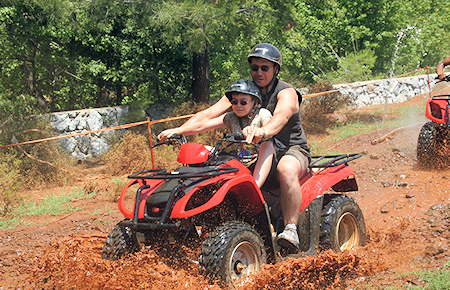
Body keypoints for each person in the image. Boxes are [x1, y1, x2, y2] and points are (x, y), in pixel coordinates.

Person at [158, 43, 311, 251]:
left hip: (289, 149)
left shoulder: (286, 92)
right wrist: (179, 130)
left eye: (264, 68)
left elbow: (281, 117)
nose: (259, 72)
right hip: (250, 150)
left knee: (286, 168)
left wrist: (262, 132)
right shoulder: (244, 92)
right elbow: (206, 116)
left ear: (275, 69)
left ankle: (290, 229)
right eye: (255, 67)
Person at [158, 79, 275, 188]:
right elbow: (202, 125)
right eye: (234, 102)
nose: (238, 106)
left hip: (260, 161)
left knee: (267, 146)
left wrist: (260, 131)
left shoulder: (262, 114)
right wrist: (177, 130)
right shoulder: (230, 117)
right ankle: (195, 185)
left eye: (243, 102)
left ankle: (254, 186)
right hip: (240, 159)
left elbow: (270, 125)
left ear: (255, 103)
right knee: (204, 150)